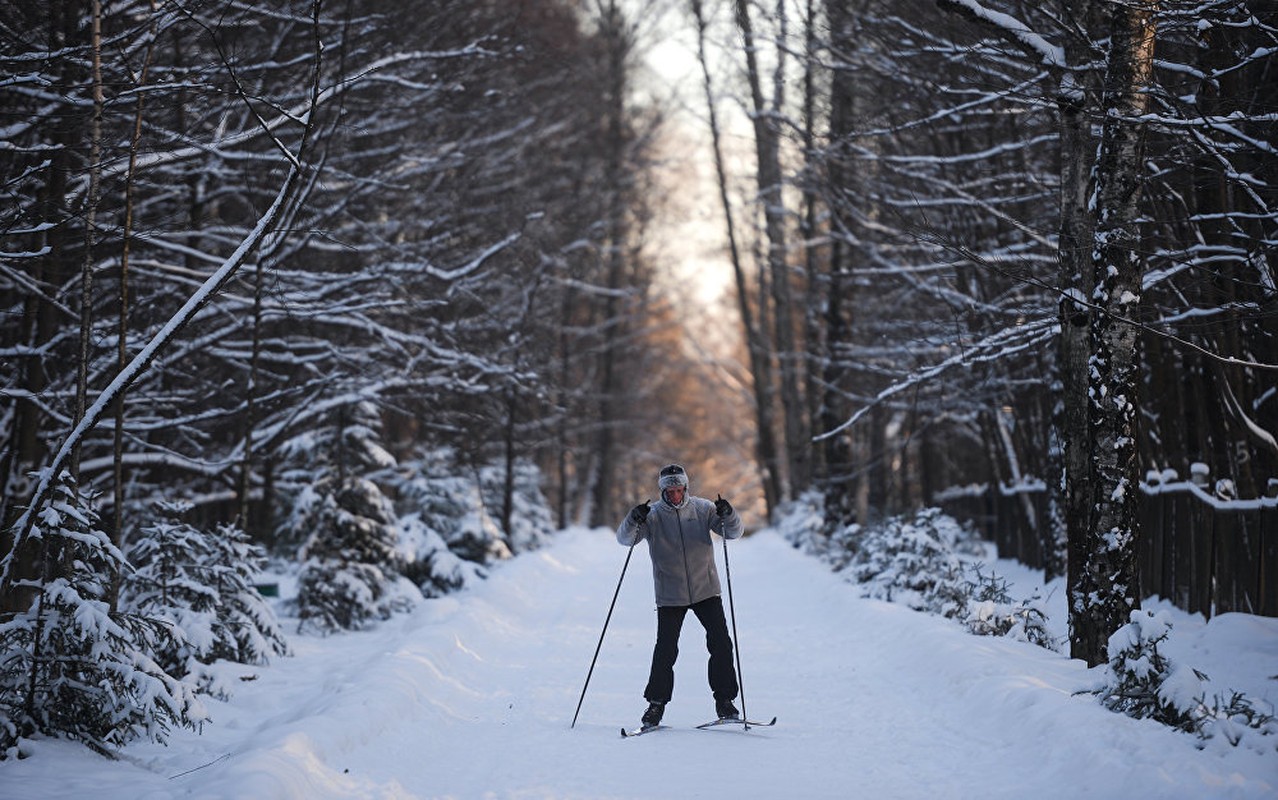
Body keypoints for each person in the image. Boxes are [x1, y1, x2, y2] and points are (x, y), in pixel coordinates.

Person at [615, 463, 744, 729]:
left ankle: (725, 703)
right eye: (669, 490)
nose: (674, 494)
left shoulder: (704, 508)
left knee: (721, 643)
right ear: (661, 490)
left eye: (678, 488)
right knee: (665, 650)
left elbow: (733, 532)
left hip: (706, 590)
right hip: (670, 594)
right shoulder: (651, 516)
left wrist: (728, 514)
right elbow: (625, 540)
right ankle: (655, 706)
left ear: (686, 487)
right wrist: (632, 518)